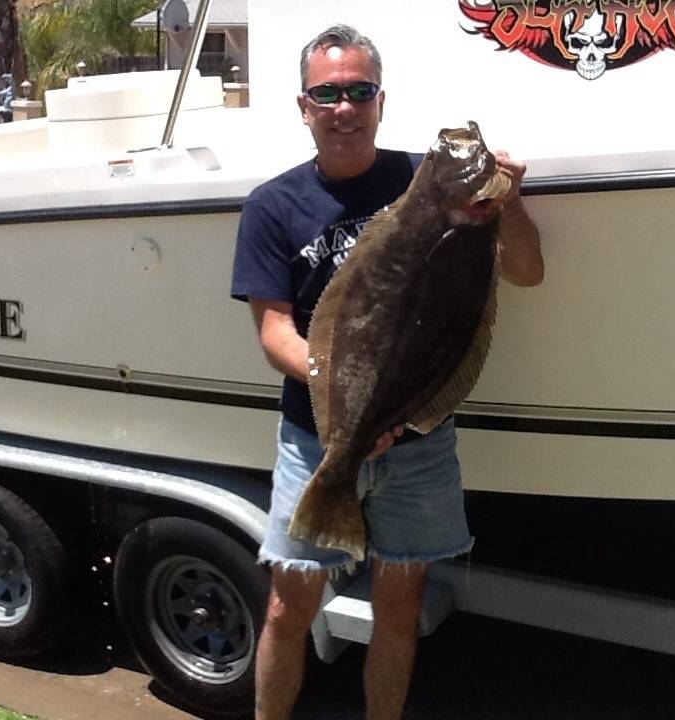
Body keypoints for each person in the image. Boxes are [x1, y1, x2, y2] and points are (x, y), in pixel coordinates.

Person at [230, 24, 543, 720]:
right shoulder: (272, 206)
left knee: (398, 608)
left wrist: (509, 203)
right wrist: (345, 404)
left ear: (380, 101)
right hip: (314, 439)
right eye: (328, 93)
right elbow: (273, 329)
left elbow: (526, 273)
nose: (345, 106)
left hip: (420, 442)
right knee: (288, 606)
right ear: (304, 106)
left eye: (360, 91)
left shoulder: (426, 186)